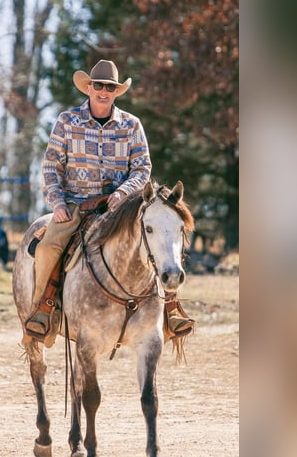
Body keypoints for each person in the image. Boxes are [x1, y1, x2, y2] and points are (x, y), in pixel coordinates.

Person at [25, 59, 194, 339]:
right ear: (89, 88)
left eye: (110, 87)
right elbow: (51, 166)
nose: (104, 91)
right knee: (47, 249)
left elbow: (142, 168)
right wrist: (57, 203)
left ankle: (171, 309)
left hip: (121, 208)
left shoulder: (131, 125)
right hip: (76, 206)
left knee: (160, 237)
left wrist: (122, 193)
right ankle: (43, 309)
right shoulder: (67, 122)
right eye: (99, 85)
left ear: (117, 91)